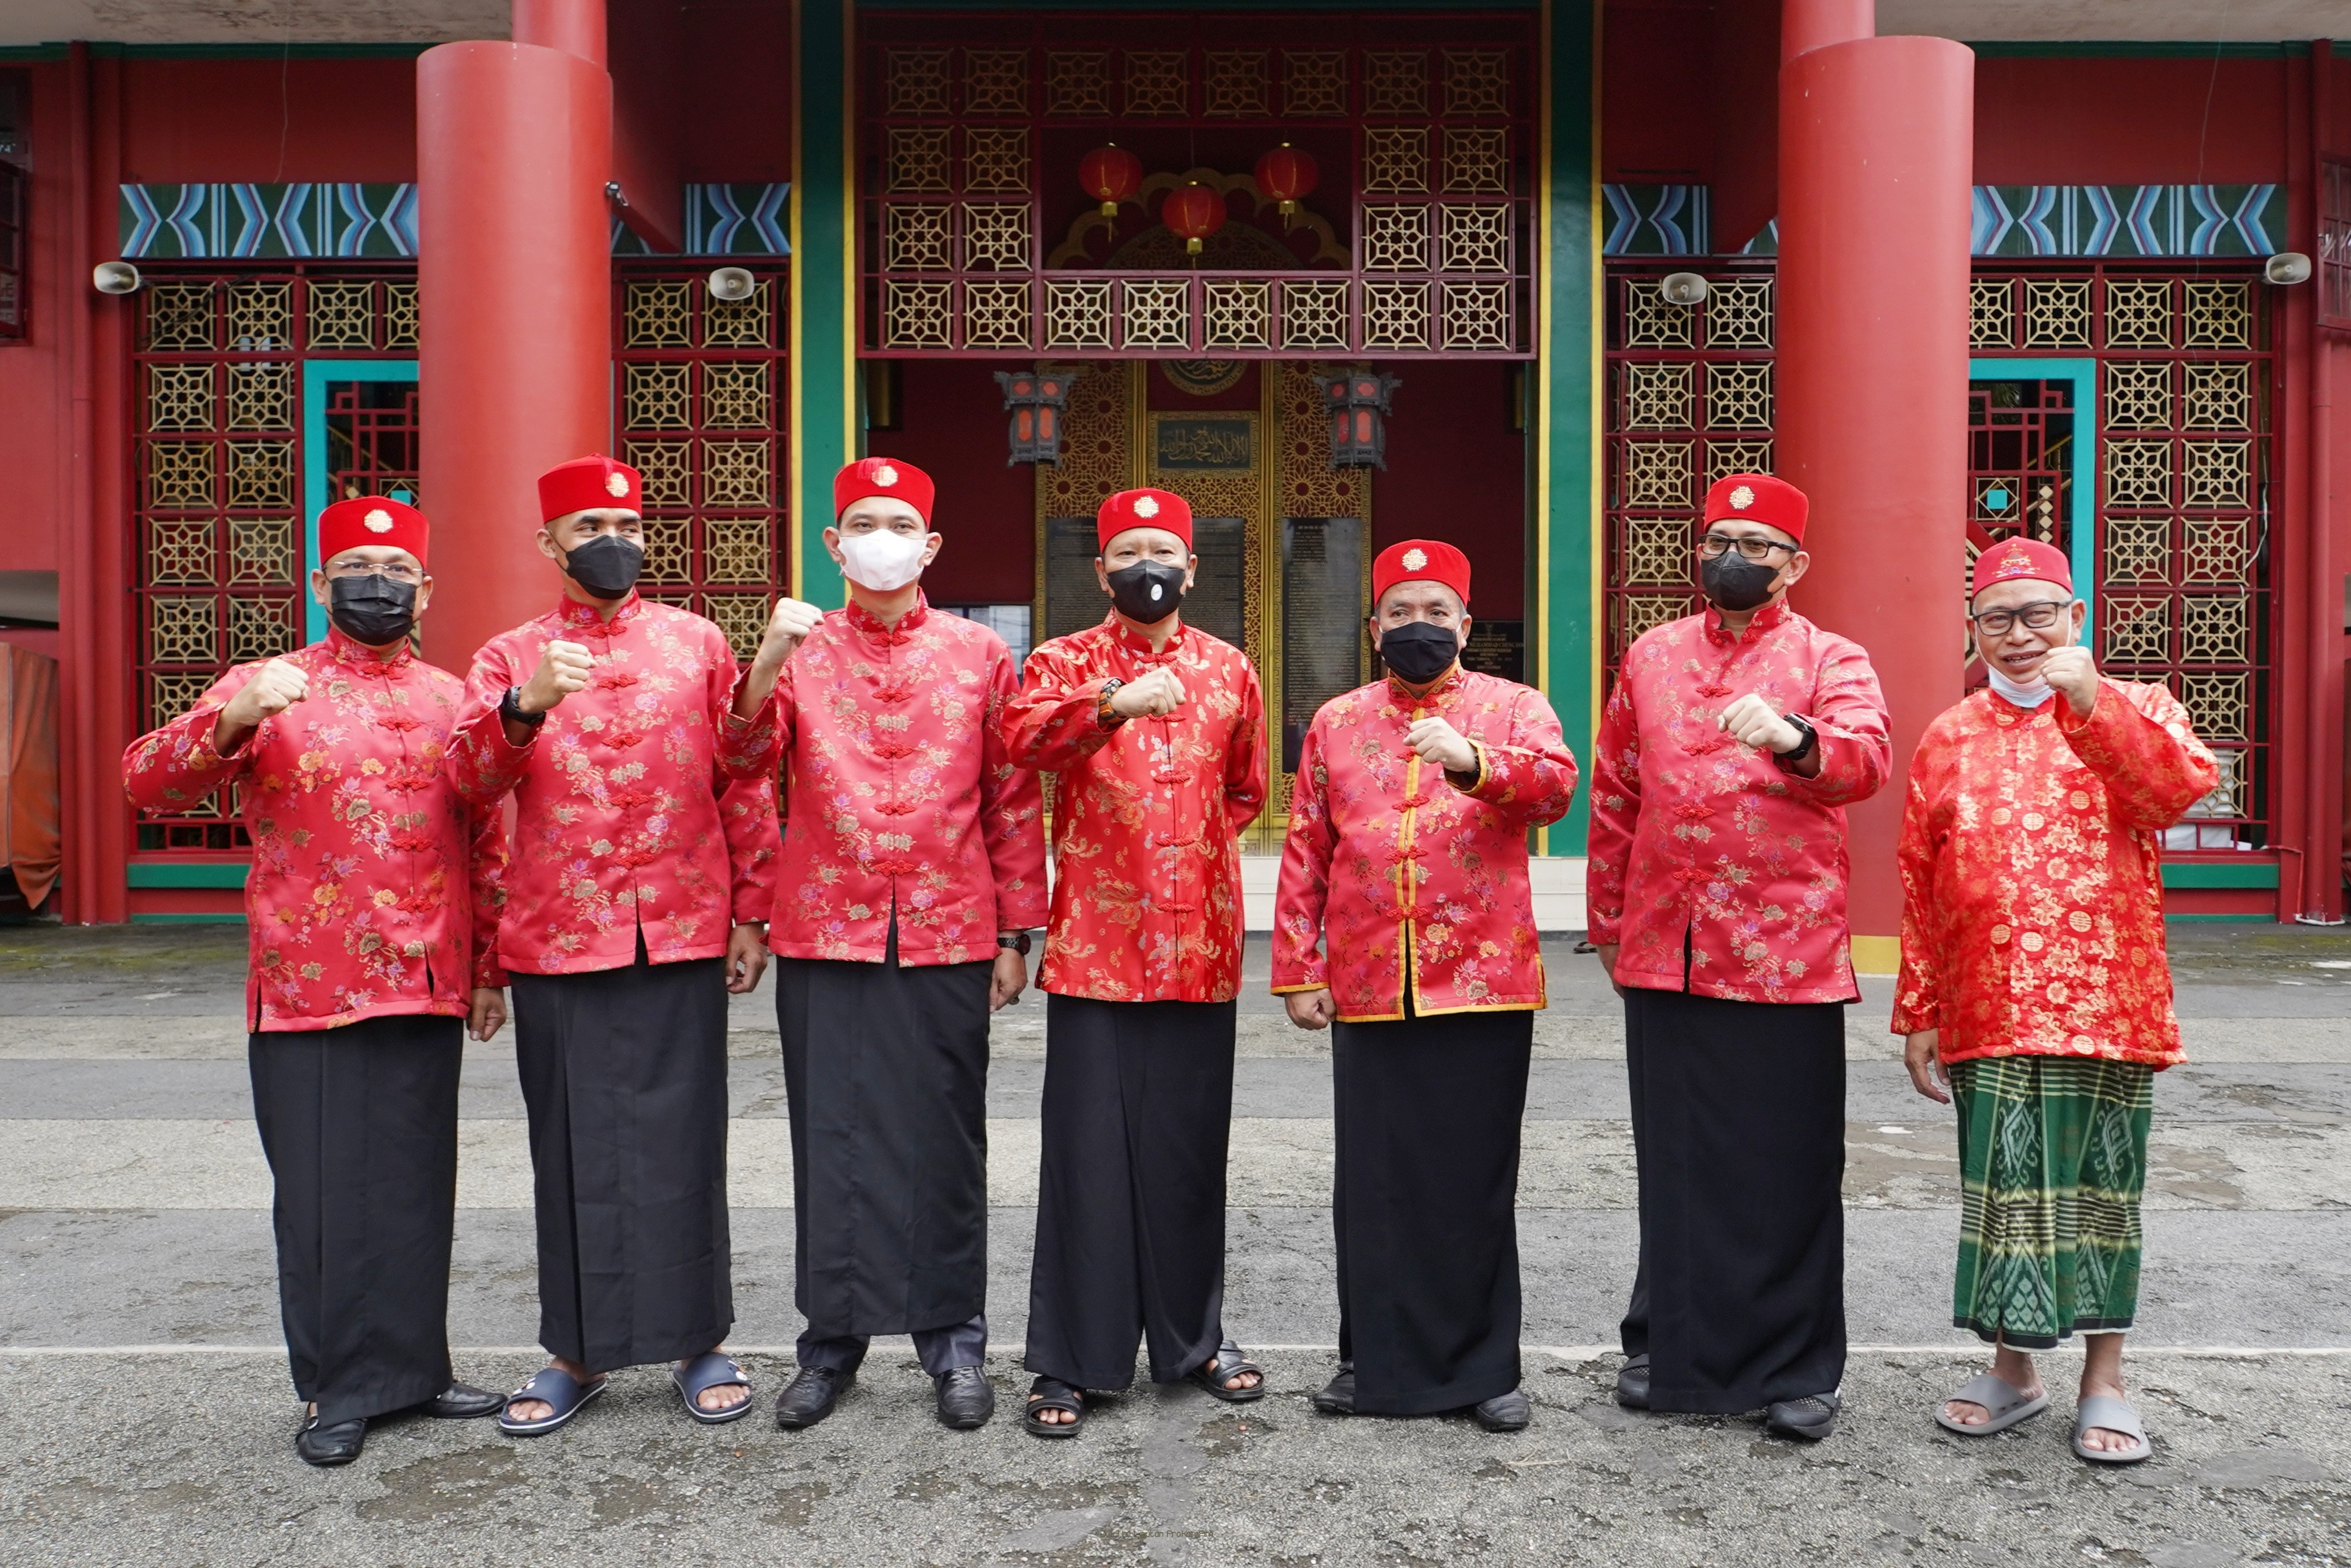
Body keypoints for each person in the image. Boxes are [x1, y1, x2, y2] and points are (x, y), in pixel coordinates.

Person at [122, 495, 508, 1467]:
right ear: (319, 585)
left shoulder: (450, 696)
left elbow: (486, 840)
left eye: (396, 574)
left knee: (419, 1184)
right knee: (325, 1193)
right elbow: (146, 784)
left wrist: (492, 968)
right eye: (353, 574)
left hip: (424, 976)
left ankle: (416, 1373)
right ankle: (336, 1389)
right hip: (307, 981)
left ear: (426, 589)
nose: (376, 589)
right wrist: (225, 721)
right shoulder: (268, 684)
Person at [445, 455, 794, 1436]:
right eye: (590, 524)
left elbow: (747, 773)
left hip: (682, 925)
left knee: (687, 1141)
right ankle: (578, 1350)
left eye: (628, 525)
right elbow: (467, 784)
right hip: (557, 935)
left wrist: (752, 913)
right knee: (572, 1148)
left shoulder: (696, 642)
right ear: (549, 543)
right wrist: (525, 708)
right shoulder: (510, 655)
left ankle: (699, 1339)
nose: (612, 541)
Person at [1896, 537, 2216, 1465]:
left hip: (2107, 1002)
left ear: (2077, 618)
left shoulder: (2138, 708)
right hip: (1987, 1004)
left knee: (2100, 1195)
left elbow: (2176, 791)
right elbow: (1919, 879)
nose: (2021, 634)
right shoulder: (1950, 735)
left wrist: (2091, 700)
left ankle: (2105, 1380)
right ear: (1975, 630)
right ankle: (2013, 1370)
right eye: (1998, 618)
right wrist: (1919, 1006)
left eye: (2041, 614)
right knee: (2003, 1197)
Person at [1586, 472, 1892, 1442]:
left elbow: (1867, 761)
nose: (1738, 556)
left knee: (1786, 1163)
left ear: (1795, 564)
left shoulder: (1829, 656)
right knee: (1676, 1158)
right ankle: (1667, 1343)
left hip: (1784, 951)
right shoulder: (1650, 653)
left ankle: (1799, 1367)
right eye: (1723, 537)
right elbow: (1615, 795)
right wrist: (1608, 923)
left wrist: (1798, 739)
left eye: (1760, 545)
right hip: (1666, 946)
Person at [752, 458, 1047, 1433]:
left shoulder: (979, 656)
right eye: (863, 522)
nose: (883, 537)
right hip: (825, 925)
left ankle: (953, 1342)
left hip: (948, 924)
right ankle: (828, 1347)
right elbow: (741, 767)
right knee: (829, 1137)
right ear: (836, 545)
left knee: (945, 1141)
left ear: (930, 546)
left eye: (901, 522)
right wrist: (761, 665)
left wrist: (1017, 930)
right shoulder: (799, 647)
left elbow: (1010, 799)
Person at [1272, 539, 1578, 1433]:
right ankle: (1369, 1358)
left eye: (1436, 613)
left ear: (1466, 625)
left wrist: (1474, 759)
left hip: (1482, 979)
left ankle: (1486, 1369)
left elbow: (1558, 789)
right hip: (1367, 978)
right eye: (1400, 613)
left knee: (1473, 1179)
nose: (1419, 627)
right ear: (1374, 629)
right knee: (1375, 1181)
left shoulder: (1512, 708)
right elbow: (1306, 851)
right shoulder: (1336, 721)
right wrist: (1298, 967)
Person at [1000, 486, 1270, 1438]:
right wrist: (1111, 706)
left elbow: (1244, 790)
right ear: (1103, 568)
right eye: (1129, 551)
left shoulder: (1232, 669)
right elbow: (1022, 742)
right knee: (1087, 1158)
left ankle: (1194, 1342)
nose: (1147, 565)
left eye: (1165, 550)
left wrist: (1179, 858)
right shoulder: (1060, 663)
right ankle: (1073, 1361)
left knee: (1189, 1155)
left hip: (1198, 944)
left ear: (1192, 569)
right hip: (1095, 950)